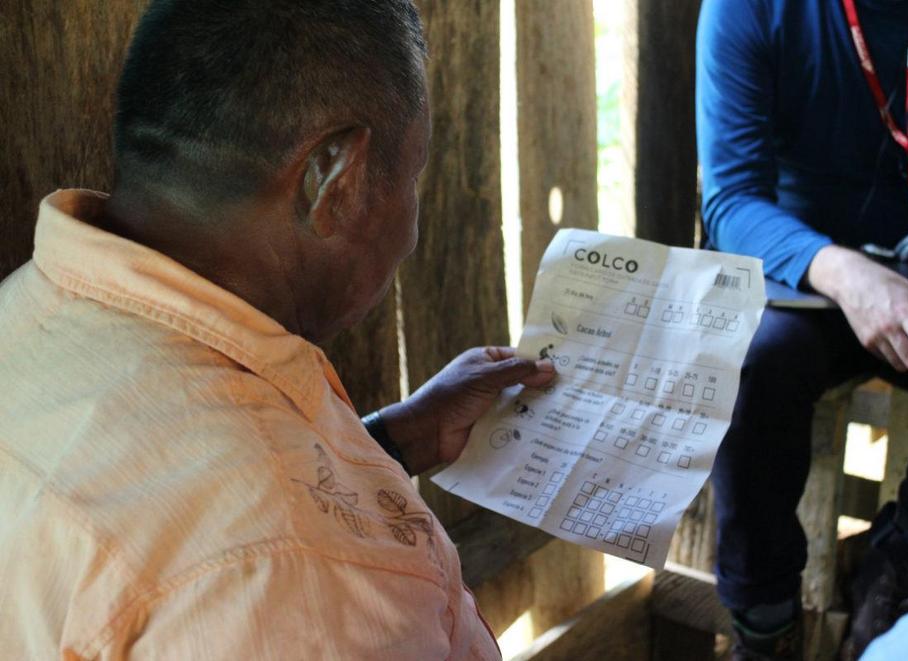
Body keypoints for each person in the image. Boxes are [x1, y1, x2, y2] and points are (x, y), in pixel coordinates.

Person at [0, 1, 555, 658]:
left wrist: (395, 439)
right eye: (412, 174)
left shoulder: (34, 309)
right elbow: (259, 538)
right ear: (335, 182)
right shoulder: (307, 577)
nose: (410, 231)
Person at [696, 0, 908, 658]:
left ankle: (905, 566)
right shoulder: (748, 10)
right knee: (754, 360)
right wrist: (849, 278)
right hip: (796, 262)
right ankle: (763, 615)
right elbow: (732, 199)